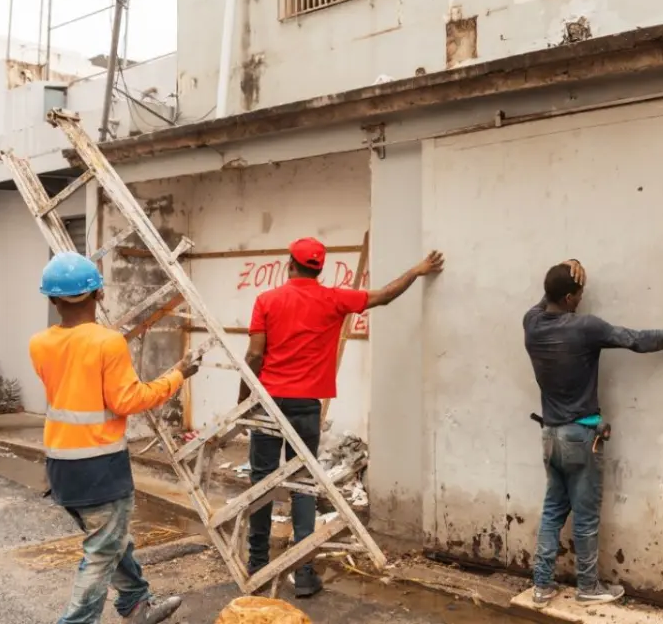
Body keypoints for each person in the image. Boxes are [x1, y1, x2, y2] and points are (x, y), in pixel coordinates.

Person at [240, 237, 444, 598]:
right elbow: (384, 296)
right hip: (306, 405)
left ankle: (257, 563)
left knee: (262, 481)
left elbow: (255, 356)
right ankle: (304, 572)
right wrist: (416, 270)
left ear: (290, 264)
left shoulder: (267, 300)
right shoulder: (334, 299)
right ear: (319, 268)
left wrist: (244, 400)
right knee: (304, 484)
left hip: (269, 402)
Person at [524, 259, 663, 605]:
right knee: (585, 517)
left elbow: (546, 299)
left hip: (550, 436)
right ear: (570, 298)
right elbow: (638, 341)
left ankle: (541, 586)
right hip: (581, 437)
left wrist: (566, 270)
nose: (582, 298)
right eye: (579, 294)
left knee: (553, 512)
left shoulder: (532, 323)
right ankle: (588, 588)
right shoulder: (585, 327)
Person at [30, 252, 199, 624]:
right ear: (99, 294)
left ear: (53, 299)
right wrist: (177, 376)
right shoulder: (107, 343)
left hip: (61, 467)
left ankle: (137, 604)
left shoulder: (39, 344)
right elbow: (129, 400)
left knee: (111, 539)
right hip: (100, 467)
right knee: (103, 550)